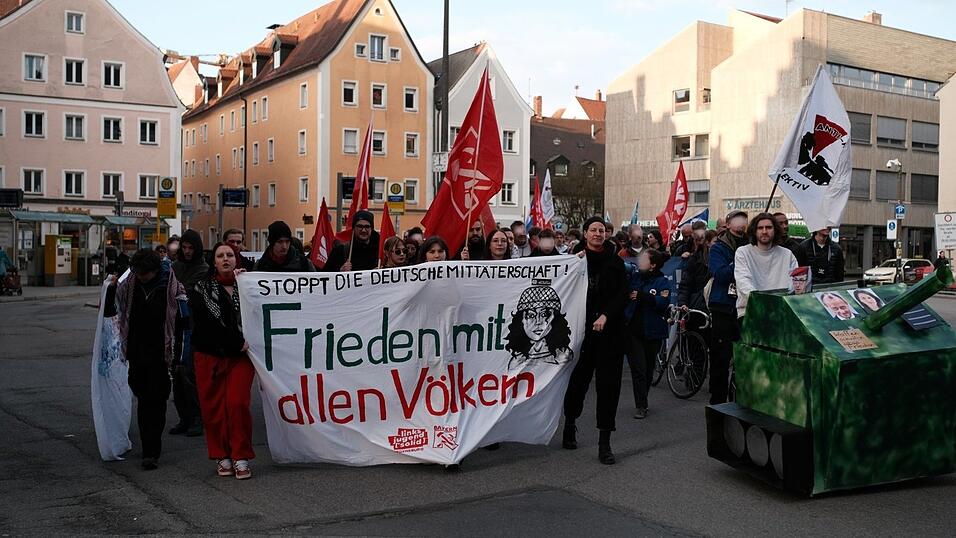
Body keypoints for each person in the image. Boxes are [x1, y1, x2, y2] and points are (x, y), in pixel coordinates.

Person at [104, 249, 184, 470]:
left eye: (145, 274)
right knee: (142, 398)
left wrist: (178, 353)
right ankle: (148, 444)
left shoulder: (170, 286)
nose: (141, 278)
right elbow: (111, 310)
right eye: (138, 273)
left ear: (155, 271)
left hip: (160, 352)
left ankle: (151, 451)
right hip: (137, 351)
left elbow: (181, 318)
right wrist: (110, 289)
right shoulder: (128, 284)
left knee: (156, 401)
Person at [563, 217, 627, 465]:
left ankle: (604, 442)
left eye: (602, 230)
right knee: (578, 382)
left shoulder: (616, 262)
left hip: (610, 333)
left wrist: (606, 315)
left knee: (608, 388)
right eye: (594, 230)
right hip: (581, 333)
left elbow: (623, 294)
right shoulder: (575, 261)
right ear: (585, 233)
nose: (598, 234)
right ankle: (570, 423)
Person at [189, 242, 255, 480]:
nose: (226, 259)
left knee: (237, 404)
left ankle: (240, 456)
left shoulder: (247, 285)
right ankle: (222, 455)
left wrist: (248, 285)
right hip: (210, 355)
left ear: (237, 259)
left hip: (241, 357)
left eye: (230, 255)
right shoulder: (201, 288)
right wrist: (235, 340)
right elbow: (207, 323)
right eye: (220, 256)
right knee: (214, 409)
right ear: (213, 261)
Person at [169, 229, 208, 437]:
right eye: (184, 248)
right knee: (176, 373)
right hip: (175, 325)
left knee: (189, 374)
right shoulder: (175, 266)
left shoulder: (203, 269)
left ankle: (196, 417)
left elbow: (189, 292)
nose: (187, 251)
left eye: (191, 248)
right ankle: (184, 417)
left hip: (193, 327)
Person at [707, 210, 748, 405]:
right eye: (737, 220)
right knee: (721, 357)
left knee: (744, 355)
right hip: (724, 306)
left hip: (746, 306)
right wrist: (739, 263)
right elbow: (720, 273)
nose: (741, 224)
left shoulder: (751, 243)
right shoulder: (718, 247)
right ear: (729, 224)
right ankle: (718, 401)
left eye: (744, 220)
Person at [625, 249, 670, 419]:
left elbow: (663, 302)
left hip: (653, 332)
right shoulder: (634, 277)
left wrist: (644, 296)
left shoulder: (662, 281)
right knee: (639, 369)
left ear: (652, 265)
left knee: (649, 369)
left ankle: (643, 398)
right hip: (633, 332)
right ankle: (641, 405)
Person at [734, 213, 798, 318]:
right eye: (760, 228)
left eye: (768, 227)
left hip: (781, 311)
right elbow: (743, 282)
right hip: (751, 312)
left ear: (775, 230)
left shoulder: (787, 254)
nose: (764, 231)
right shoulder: (743, 252)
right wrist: (763, 302)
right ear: (754, 231)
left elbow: (793, 283)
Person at [677, 224, 711, 313]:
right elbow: (685, 284)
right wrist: (683, 303)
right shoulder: (694, 259)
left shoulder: (720, 258)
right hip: (698, 304)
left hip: (715, 305)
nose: (699, 242)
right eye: (697, 240)